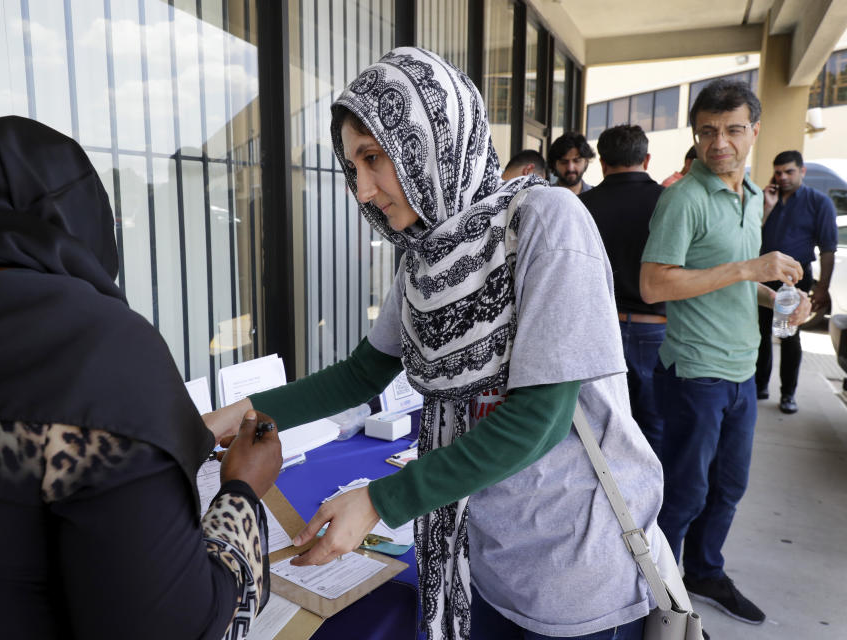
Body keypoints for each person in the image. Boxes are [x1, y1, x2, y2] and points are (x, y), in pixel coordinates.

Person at [207, 47, 664, 640]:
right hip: (483, 555)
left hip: (573, 565)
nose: (364, 189)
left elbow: (540, 420)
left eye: (376, 158)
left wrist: (380, 501)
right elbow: (360, 377)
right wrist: (232, 416)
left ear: (433, 143)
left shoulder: (546, 224)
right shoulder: (425, 260)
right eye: (352, 167)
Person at [0, 116, 282, 640]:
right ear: (83, 218)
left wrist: (186, 436)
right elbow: (180, 627)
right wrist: (242, 491)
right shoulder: (94, 348)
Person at [640, 79, 810, 626]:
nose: (720, 143)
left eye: (733, 130)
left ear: (754, 132)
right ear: (696, 135)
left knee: (729, 486)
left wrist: (776, 294)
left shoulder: (756, 195)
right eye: (708, 131)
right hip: (694, 372)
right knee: (685, 492)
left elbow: (730, 280)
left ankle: (705, 571)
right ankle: (654, 595)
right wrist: (749, 269)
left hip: (740, 369)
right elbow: (654, 285)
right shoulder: (682, 198)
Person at [580, 124, 665, 456]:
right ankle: (651, 500)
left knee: (601, 423)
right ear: (646, 159)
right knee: (654, 422)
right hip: (656, 328)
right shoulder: (668, 202)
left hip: (599, 327)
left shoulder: (582, 206)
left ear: (602, 162)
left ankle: (609, 500)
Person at [756, 150, 839, 413]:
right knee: (759, 335)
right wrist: (766, 208)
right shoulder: (765, 198)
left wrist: (822, 287)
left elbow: (828, 248)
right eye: (778, 172)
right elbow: (750, 236)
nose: (782, 177)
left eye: (789, 171)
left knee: (788, 335)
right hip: (760, 277)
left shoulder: (818, 203)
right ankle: (759, 387)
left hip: (794, 280)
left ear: (802, 171)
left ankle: (788, 394)